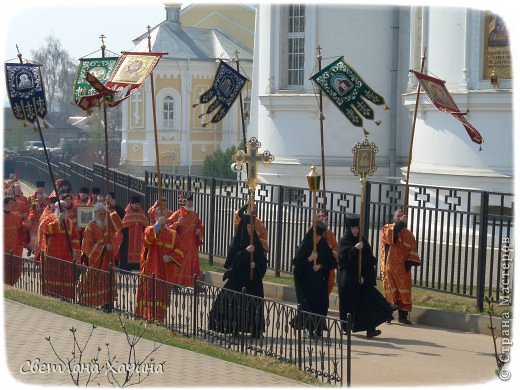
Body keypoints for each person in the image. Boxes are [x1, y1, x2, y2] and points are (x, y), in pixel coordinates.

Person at [208, 206, 268, 338]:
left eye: (251, 227)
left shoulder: (256, 242)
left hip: (253, 280)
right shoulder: (238, 242)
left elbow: (263, 263)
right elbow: (232, 262)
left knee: (254, 304)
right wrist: (246, 252)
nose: (249, 230)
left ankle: (255, 329)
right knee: (232, 301)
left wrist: (256, 265)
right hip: (239, 278)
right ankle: (232, 327)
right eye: (247, 227)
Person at [338, 214, 393, 338]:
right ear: (348, 229)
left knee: (368, 302)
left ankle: (370, 328)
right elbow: (343, 260)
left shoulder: (362, 240)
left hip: (361, 280)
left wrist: (364, 275)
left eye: (357, 228)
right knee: (347, 304)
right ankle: (345, 326)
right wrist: (354, 249)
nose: (355, 231)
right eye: (353, 228)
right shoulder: (344, 241)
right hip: (348, 279)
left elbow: (369, 260)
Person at [135, 206, 183, 322]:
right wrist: (157, 225)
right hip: (151, 270)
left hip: (165, 272)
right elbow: (147, 240)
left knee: (161, 297)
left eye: (164, 216)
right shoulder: (149, 229)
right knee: (149, 294)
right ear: (155, 216)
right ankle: (145, 318)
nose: (162, 217)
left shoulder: (173, 234)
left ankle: (159, 320)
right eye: (158, 215)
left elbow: (180, 251)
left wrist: (170, 258)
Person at [290, 220, 337, 337]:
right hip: (306, 283)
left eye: (320, 236)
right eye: (316, 235)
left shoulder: (323, 246)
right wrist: (310, 259)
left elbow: (332, 262)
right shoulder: (305, 245)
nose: (318, 239)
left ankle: (319, 329)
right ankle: (310, 329)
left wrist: (321, 265)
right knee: (308, 306)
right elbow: (297, 266)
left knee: (321, 304)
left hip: (319, 283)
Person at [380, 208, 421, 325]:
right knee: (390, 292)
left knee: (404, 293)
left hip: (403, 269)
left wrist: (409, 262)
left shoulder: (409, 234)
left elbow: (413, 250)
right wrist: (400, 224)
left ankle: (403, 316)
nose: (400, 218)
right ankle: (388, 315)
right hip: (389, 267)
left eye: (402, 216)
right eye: (398, 216)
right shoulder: (387, 228)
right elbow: (390, 239)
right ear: (394, 217)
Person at [80, 202, 123, 309]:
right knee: (94, 281)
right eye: (101, 214)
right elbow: (87, 246)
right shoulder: (90, 227)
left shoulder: (108, 224)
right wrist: (103, 247)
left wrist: (112, 208)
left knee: (108, 281)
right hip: (96, 261)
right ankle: (91, 303)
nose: (103, 216)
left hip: (108, 260)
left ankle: (108, 304)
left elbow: (120, 225)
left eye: (104, 214)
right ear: (95, 214)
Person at [41, 197, 81, 300]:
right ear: (56, 208)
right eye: (60, 207)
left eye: (64, 208)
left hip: (66, 255)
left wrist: (75, 252)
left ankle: (65, 297)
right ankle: (51, 296)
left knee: (65, 277)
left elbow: (75, 238)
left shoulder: (70, 223)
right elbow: (46, 230)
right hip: (52, 255)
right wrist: (58, 221)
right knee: (53, 276)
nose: (63, 209)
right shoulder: (49, 219)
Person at [167, 192, 204, 286]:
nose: (191, 203)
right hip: (180, 245)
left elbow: (200, 226)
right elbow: (168, 227)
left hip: (192, 246)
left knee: (192, 265)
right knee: (180, 265)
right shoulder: (177, 214)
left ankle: (192, 284)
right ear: (185, 202)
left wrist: (199, 231)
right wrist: (177, 224)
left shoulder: (195, 215)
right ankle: (176, 284)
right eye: (189, 201)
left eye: (192, 201)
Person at [120, 195, 148, 271]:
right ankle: (125, 267)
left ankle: (137, 266)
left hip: (139, 237)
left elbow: (146, 224)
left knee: (139, 250)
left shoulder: (141, 214)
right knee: (126, 250)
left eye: (138, 204)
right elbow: (122, 225)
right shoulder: (126, 213)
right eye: (135, 204)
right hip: (128, 238)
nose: (136, 206)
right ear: (131, 204)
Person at [3, 196, 26, 285]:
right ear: (5, 204)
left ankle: (10, 285)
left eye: (14, 203)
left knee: (15, 270)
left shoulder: (16, 217)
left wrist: (26, 226)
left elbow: (22, 231)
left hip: (15, 249)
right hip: (4, 250)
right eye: (11, 203)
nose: (13, 205)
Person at [317, 211, 339, 296]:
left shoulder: (330, 234)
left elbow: (335, 248)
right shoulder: (314, 233)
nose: (324, 220)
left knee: (330, 283)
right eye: (322, 217)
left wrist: (332, 252)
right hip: (318, 265)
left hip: (328, 264)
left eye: (326, 219)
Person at [25, 181, 48, 256]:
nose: (40, 190)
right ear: (36, 189)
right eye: (39, 189)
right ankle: (30, 248)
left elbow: (48, 207)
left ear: (44, 189)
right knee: (32, 236)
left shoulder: (47, 198)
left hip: (42, 219)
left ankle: (36, 251)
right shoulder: (31, 197)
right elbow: (28, 207)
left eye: (42, 189)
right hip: (33, 220)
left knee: (40, 236)